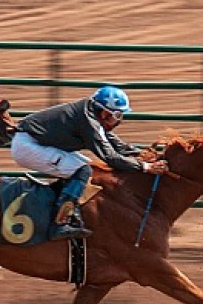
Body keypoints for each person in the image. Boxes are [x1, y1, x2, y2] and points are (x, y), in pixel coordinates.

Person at [11, 86, 168, 240]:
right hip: (28, 146)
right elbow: (110, 157)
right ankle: (59, 223)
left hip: (36, 142)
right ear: (105, 113)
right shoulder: (89, 122)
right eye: (118, 115)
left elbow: (115, 144)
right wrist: (145, 167)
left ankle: (64, 207)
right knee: (83, 171)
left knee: (91, 170)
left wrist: (141, 154)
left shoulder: (91, 114)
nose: (119, 121)